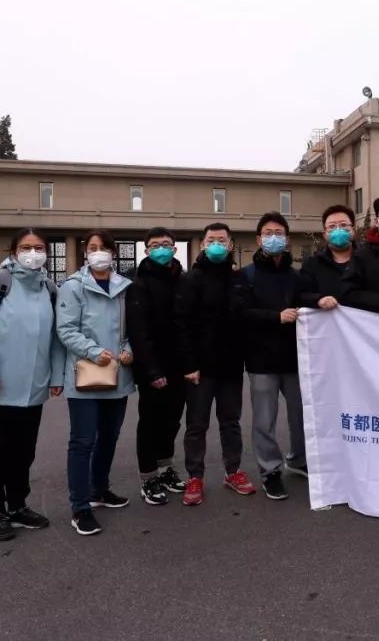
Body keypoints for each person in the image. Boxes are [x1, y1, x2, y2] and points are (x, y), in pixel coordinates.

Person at [0, 228, 65, 541]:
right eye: (26, 247)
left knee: (23, 452)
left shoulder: (49, 288)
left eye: (39, 247)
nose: (33, 253)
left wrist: (57, 376)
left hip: (32, 388)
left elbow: (55, 338)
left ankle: (17, 506)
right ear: (14, 251)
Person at [55, 230, 135, 537]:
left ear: (113, 253)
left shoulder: (124, 287)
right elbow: (66, 330)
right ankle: (80, 507)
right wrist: (93, 351)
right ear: (85, 253)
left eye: (104, 247)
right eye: (92, 247)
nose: (98, 252)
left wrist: (129, 349)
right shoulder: (73, 286)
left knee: (109, 436)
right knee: (82, 441)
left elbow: (131, 328)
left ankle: (99, 489)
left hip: (118, 374)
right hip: (86, 375)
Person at [173, 222, 255, 506]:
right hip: (200, 368)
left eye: (222, 240)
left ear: (230, 244)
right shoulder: (190, 279)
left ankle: (233, 472)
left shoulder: (239, 278)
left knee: (231, 423)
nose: (217, 245)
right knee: (196, 425)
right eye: (211, 240)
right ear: (203, 245)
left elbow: (245, 318)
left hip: (231, 365)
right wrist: (188, 364)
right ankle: (195, 477)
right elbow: (181, 325)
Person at [233, 212, 306, 501]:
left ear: (287, 239)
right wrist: (276, 317)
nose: (273, 238)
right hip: (261, 360)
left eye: (278, 233)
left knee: (301, 415)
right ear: (258, 239)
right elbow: (241, 313)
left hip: (296, 359)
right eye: (267, 233)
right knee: (264, 420)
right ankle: (270, 471)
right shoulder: (246, 275)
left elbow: (308, 305)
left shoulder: (297, 276)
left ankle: (299, 459)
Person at [127, 227, 187, 506]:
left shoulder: (182, 280)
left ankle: (166, 468)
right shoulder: (139, 284)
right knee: (150, 422)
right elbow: (138, 331)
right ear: (146, 250)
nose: (161, 248)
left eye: (166, 244)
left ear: (174, 248)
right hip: (153, 368)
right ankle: (148, 477)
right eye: (155, 245)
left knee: (172, 421)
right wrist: (152, 370)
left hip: (179, 366)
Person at [299, 204, 356, 311]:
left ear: (353, 230)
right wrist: (319, 300)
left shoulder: (367, 260)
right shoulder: (312, 265)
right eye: (332, 226)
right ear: (325, 234)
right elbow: (301, 295)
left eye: (343, 225)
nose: (338, 230)